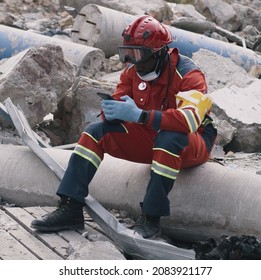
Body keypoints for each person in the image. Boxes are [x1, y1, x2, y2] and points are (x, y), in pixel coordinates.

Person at [31, 15, 217, 239]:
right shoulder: (132, 71)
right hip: (152, 135)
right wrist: (111, 111)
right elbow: (118, 103)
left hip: (193, 141)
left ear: (158, 53)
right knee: (95, 132)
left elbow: (188, 122)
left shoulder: (189, 74)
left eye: (138, 54)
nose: (132, 61)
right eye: (127, 53)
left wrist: (140, 115)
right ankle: (70, 206)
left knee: (169, 137)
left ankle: (151, 218)